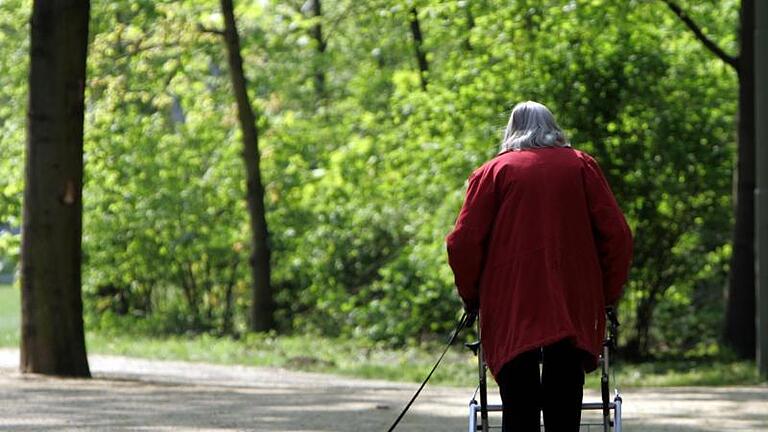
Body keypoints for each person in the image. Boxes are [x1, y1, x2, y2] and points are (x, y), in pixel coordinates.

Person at [446, 101, 633, 432]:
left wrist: (471, 295)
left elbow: (462, 242)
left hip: (512, 299)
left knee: (519, 404)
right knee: (565, 396)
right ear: (554, 128)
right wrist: (607, 293)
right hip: (573, 298)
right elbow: (617, 235)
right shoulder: (581, 166)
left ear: (511, 131)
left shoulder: (493, 173)